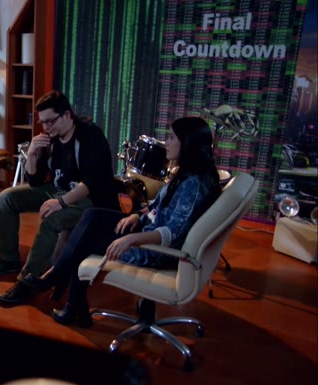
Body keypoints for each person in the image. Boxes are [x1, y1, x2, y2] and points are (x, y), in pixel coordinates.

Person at [43, 116, 221, 327]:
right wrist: (137, 216)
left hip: (157, 250)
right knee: (92, 216)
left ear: (188, 142)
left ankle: (67, 295)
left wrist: (131, 239)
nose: (167, 142)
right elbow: (157, 207)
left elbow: (174, 232)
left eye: (172, 137)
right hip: (149, 232)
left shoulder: (193, 184)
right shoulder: (188, 174)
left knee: (85, 238)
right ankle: (64, 287)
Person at [0, 90, 119, 306]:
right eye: (42, 122)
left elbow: (91, 183)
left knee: (51, 220)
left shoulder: (90, 136)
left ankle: (27, 281)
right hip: (57, 190)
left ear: (67, 115)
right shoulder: (51, 139)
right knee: (7, 198)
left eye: (50, 121)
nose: (46, 127)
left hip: (90, 200)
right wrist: (32, 154)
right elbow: (36, 181)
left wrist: (61, 202)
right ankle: (9, 259)